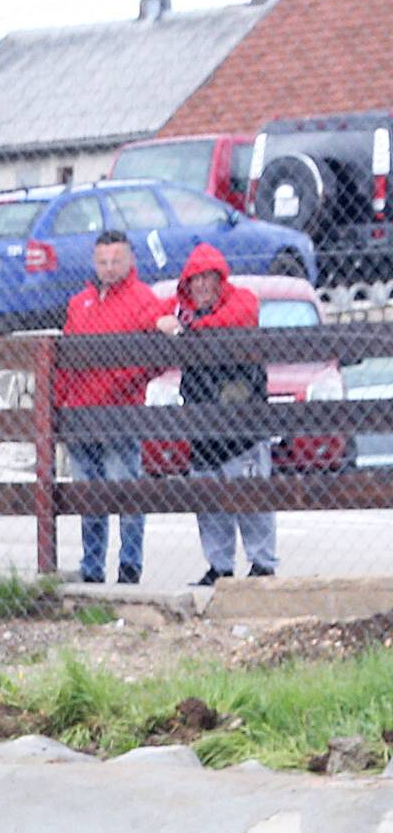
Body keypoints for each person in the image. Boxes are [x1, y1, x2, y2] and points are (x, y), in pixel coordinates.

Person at [156, 243, 276, 585]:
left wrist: (188, 328)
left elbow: (235, 318)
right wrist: (167, 321)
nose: (203, 286)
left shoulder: (243, 299)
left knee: (252, 496)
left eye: (209, 278)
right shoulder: (184, 310)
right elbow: (154, 312)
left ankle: (262, 564)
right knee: (209, 501)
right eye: (195, 280)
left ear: (221, 280)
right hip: (202, 425)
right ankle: (219, 566)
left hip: (244, 426)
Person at [56, 229, 161, 586]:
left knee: (126, 492)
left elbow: (156, 352)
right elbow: (65, 359)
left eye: (116, 260)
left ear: (130, 260)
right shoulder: (79, 303)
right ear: (94, 262)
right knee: (90, 497)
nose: (109, 267)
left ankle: (130, 564)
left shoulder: (142, 299)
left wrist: (125, 382)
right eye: (103, 261)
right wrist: (57, 404)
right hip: (81, 415)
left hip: (120, 415)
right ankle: (92, 566)